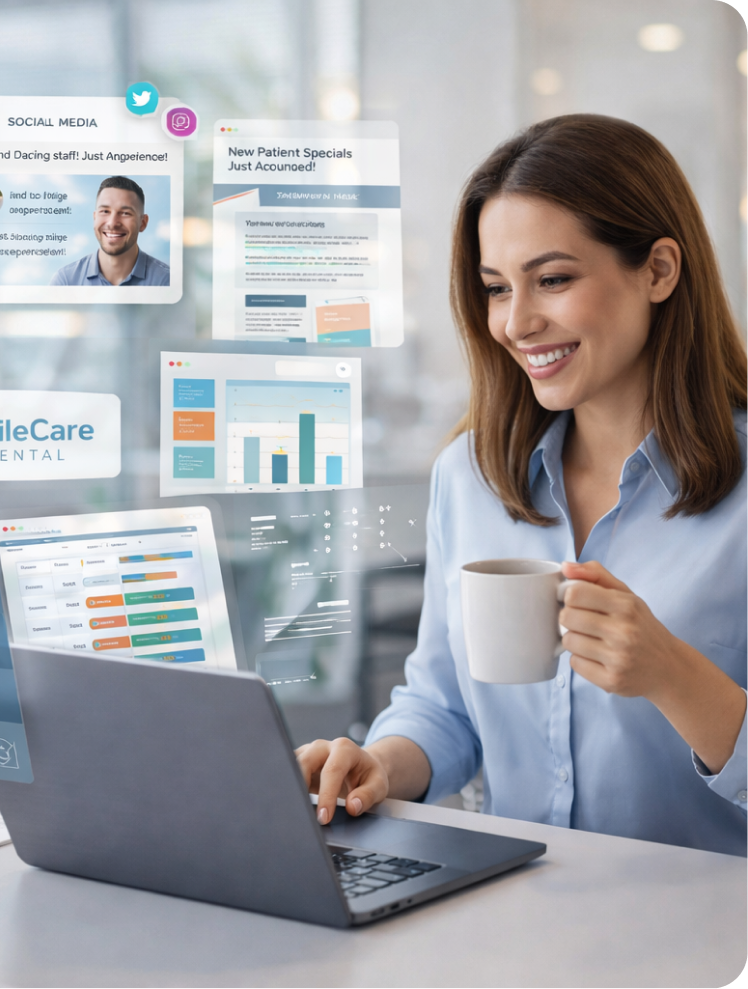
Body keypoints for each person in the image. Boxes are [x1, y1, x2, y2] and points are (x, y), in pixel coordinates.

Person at [296, 114, 748, 857]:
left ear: (659, 270)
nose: (516, 322)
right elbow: (443, 703)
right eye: (495, 288)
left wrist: (670, 674)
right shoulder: (469, 477)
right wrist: (382, 764)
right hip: (513, 920)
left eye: (553, 279)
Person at [50, 176, 170, 287]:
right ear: (95, 217)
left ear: (143, 223)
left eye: (125, 213)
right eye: (105, 211)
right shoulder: (65, 281)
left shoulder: (166, 281)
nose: (112, 223)